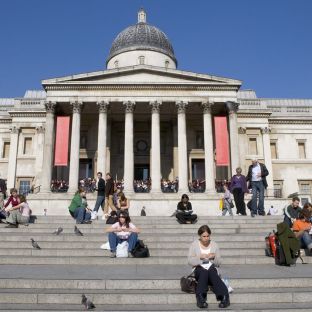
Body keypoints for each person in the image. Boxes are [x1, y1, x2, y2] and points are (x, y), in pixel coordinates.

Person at [188, 225, 230, 309]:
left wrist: (214, 257)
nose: (206, 238)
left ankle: (225, 297)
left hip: (212, 269)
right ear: (200, 236)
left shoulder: (214, 244)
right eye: (204, 236)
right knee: (203, 270)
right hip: (199, 269)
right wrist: (199, 258)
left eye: (208, 236)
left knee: (210, 269)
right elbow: (189, 261)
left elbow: (219, 262)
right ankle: (200, 298)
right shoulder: (194, 244)